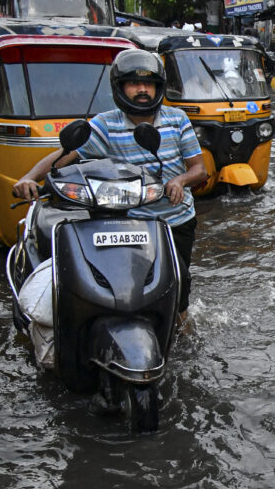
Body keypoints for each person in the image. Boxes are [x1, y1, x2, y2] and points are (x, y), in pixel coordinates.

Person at [12, 50, 207, 321]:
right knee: (127, 283)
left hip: (176, 220)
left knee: (179, 278)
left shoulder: (177, 120)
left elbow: (199, 169)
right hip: (129, 221)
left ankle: (181, 324)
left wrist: (180, 180)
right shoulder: (105, 125)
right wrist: (30, 177)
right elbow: (65, 154)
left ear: (158, 88)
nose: (142, 90)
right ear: (120, 88)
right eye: (133, 83)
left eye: (148, 84)